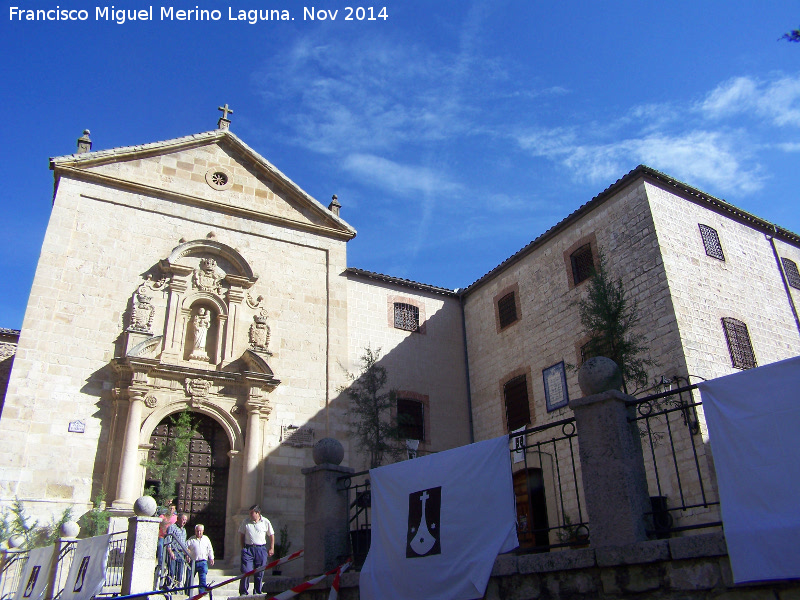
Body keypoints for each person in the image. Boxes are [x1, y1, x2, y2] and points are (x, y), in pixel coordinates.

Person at [238, 505, 274, 595]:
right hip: (248, 549)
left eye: (252, 513)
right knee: (246, 570)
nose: (250, 515)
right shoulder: (245, 522)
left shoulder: (265, 522)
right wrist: (243, 548)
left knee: (260, 571)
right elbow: (241, 535)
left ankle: (257, 591)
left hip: (261, 549)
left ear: (258, 513)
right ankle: (243, 591)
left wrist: (272, 547)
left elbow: (271, 535)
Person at [186, 524, 214, 594]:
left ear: (203, 531)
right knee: (189, 578)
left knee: (202, 578)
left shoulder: (206, 539)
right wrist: (187, 553)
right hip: (193, 562)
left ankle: (202, 593)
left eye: (200, 531)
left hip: (203, 562)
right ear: (195, 531)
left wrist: (211, 558)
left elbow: (210, 549)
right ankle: (187, 592)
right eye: (197, 531)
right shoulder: (191, 540)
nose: (199, 533)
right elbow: (185, 547)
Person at [166, 513, 189, 592]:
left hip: (181, 554)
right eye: (183, 519)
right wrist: (170, 551)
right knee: (172, 571)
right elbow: (168, 540)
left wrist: (187, 554)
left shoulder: (184, 530)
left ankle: (177, 589)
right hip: (174, 552)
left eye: (186, 520)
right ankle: (169, 588)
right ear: (178, 519)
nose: (184, 522)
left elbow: (184, 543)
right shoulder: (172, 527)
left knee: (180, 572)